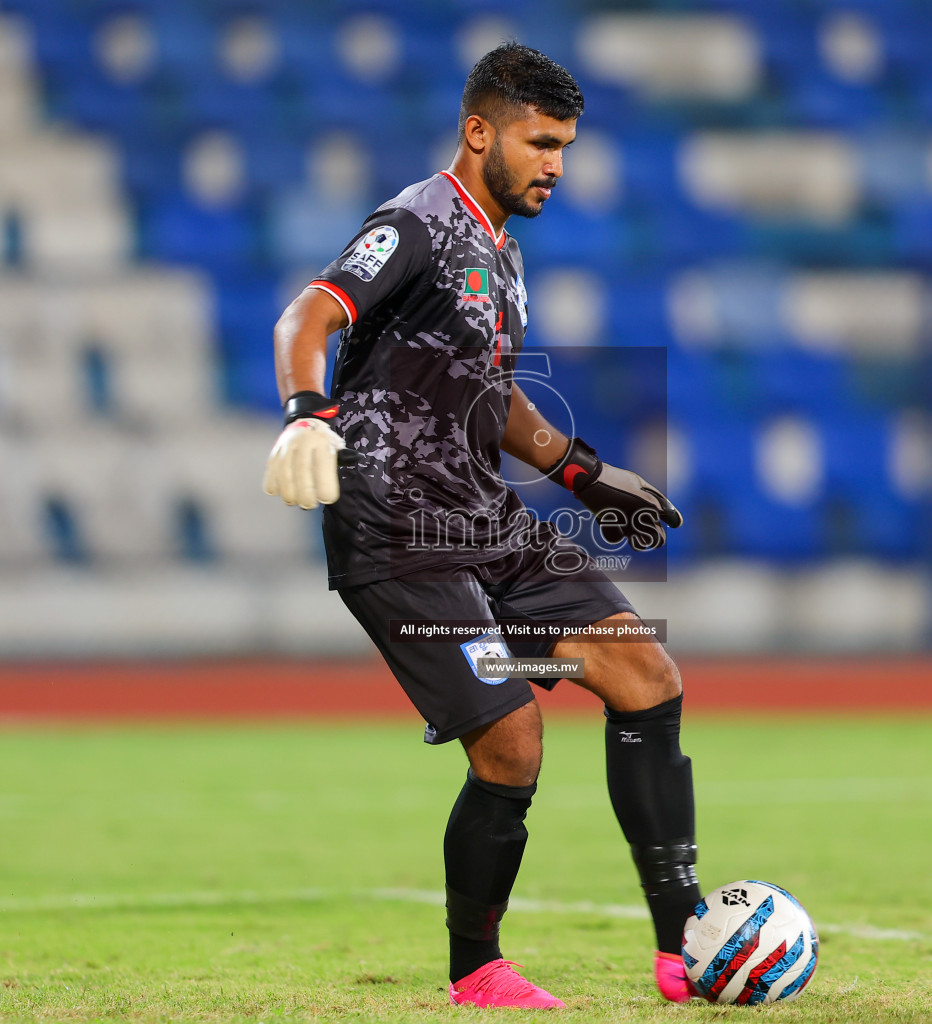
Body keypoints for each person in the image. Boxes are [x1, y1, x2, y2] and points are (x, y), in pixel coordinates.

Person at [263, 43, 698, 1008]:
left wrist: (585, 475)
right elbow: (306, 315)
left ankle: (686, 949)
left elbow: (489, 394)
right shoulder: (416, 223)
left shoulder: (501, 252)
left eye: (565, 147)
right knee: (513, 736)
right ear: (478, 132)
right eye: (540, 143)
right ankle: (477, 969)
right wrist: (306, 415)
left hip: (483, 519)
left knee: (645, 673)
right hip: (395, 528)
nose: (555, 164)